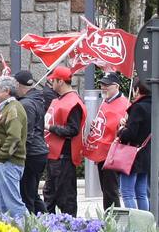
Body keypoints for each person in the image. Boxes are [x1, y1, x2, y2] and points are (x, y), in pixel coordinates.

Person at [82, 72, 129, 210]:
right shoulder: (106, 101)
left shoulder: (124, 104)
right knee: (106, 190)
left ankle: (114, 220)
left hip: (113, 153)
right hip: (102, 152)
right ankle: (109, 218)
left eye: (107, 85)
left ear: (116, 86)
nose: (103, 87)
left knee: (111, 191)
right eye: (102, 84)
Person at [43, 65, 84, 216]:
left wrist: (50, 127)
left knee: (65, 199)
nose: (51, 84)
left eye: (53, 80)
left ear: (60, 81)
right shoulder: (60, 99)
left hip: (64, 157)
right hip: (54, 156)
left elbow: (73, 130)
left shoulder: (73, 102)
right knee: (50, 196)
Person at [0, 75, 28, 218]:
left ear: (7, 91)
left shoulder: (13, 109)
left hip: (8, 163)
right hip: (4, 162)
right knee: (1, 205)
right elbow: (4, 134)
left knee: (12, 204)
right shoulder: (8, 108)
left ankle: (29, 231)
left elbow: (14, 138)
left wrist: (1, 158)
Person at [15, 69, 50, 214]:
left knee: (27, 194)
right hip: (38, 152)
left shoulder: (27, 104)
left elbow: (26, 134)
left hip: (32, 153)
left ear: (18, 85)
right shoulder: (36, 99)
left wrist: (16, 152)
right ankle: (47, 222)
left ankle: (31, 226)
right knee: (32, 193)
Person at [117, 80, 152, 211]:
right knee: (142, 193)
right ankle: (146, 225)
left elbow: (130, 134)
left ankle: (135, 226)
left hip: (132, 155)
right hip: (146, 153)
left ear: (137, 90)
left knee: (127, 192)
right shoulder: (154, 105)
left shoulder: (138, 107)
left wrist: (121, 129)